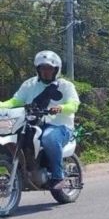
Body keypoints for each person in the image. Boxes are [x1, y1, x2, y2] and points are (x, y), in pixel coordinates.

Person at [0, 51, 80, 190]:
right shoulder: (29, 84)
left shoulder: (65, 85)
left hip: (60, 126)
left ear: (56, 69)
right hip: (32, 124)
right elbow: (15, 101)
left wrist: (60, 108)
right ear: (38, 69)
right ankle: (24, 170)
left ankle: (58, 176)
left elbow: (74, 105)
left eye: (49, 68)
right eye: (42, 68)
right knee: (12, 137)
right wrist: (1, 105)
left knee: (49, 138)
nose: (46, 71)